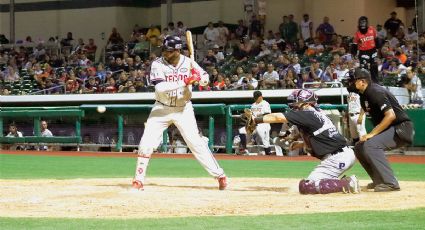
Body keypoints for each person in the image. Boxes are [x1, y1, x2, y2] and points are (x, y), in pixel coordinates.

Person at [132, 36, 227, 191]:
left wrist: (201, 79)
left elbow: (205, 78)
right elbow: (160, 88)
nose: (165, 53)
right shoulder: (157, 64)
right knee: (146, 143)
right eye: (164, 50)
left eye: (169, 51)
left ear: (177, 50)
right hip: (161, 108)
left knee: (196, 143)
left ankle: (220, 175)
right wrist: (186, 81)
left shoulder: (189, 62)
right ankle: (138, 180)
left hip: (184, 109)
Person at [241, 89, 360, 194]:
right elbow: (325, 138)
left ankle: (348, 183)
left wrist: (256, 120)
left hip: (336, 158)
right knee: (312, 184)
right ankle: (340, 182)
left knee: (306, 186)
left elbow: (278, 117)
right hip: (343, 154)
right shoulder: (317, 114)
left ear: (307, 103)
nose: (294, 107)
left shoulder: (308, 113)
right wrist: (301, 143)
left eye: (297, 104)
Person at [352, 68, 414, 192]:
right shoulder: (364, 95)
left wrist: (372, 134)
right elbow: (368, 108)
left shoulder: (375, 91)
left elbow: (391, 116)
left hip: (401, 128)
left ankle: (391, 182)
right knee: (359, 147)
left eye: (355, 80)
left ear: (363, 81)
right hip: (391, 129)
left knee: (371, 145)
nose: (353, 83)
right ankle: (379, 180)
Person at [352, 16, 379, 82]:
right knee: (364, 67)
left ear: (367, 23)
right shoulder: (357, 34)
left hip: (373, 50)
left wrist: (378, 49)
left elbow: (377, 40)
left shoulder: (372, 29)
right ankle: (365, 81)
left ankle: (376, 81)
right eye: (361, 22)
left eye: (364, 22)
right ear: (359, 24)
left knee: (374, 66)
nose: (362, 24)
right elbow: (354, 45)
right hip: (363, 52)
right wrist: (354, 54)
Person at [250, 91, 272, 155]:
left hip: (263, 123)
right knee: (243, 131)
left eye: (257, 97)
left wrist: (259, 116)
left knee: (264, 138)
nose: (256, 98)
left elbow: (267, 113)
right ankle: (243, 149)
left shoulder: (265, 103)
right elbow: (251, 115)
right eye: (255, 97)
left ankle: (268, 152)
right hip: (254, 123)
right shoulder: (253, 105)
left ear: (261, 96)